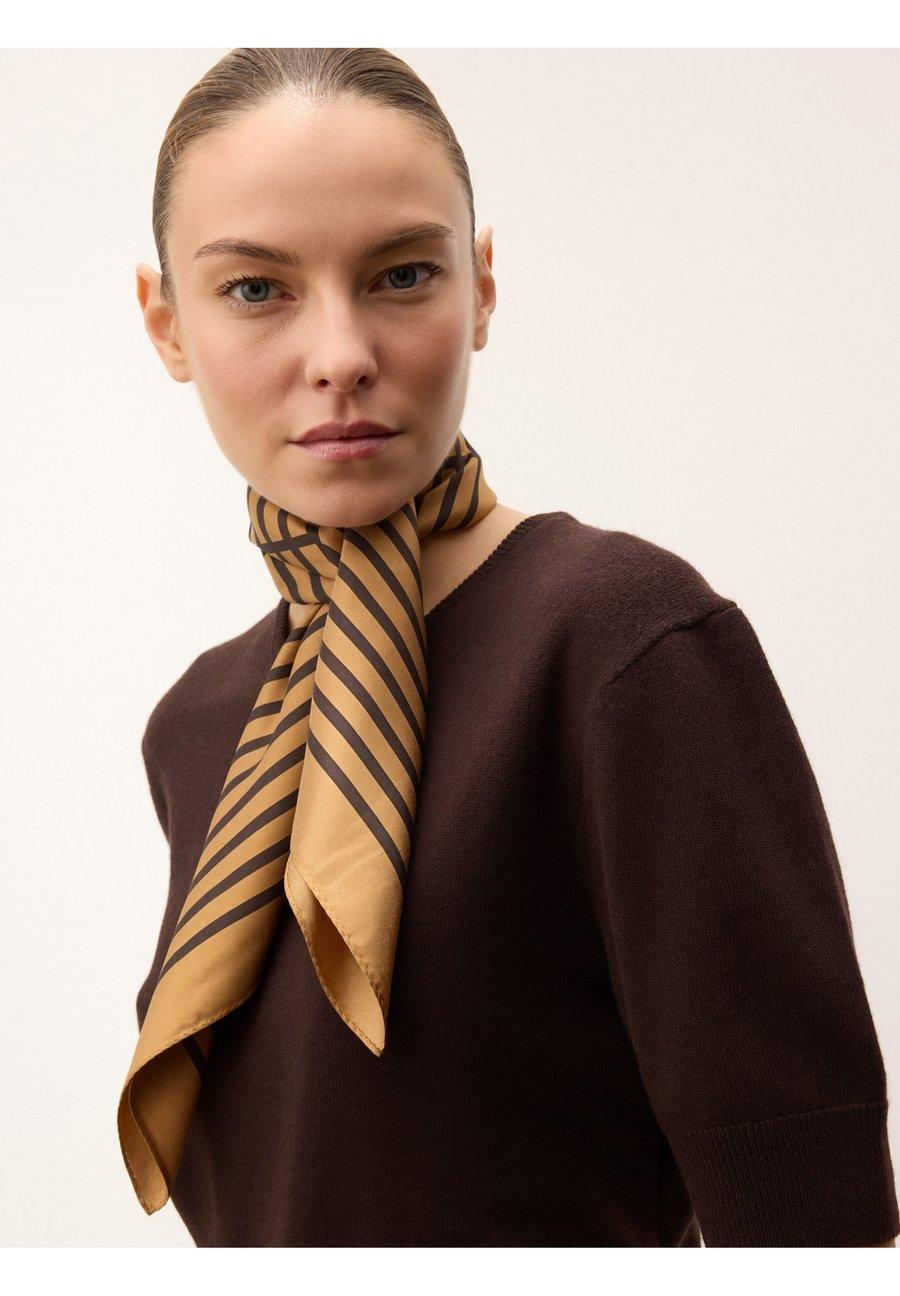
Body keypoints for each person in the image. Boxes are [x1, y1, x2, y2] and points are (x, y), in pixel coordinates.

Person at [117, 47, 898, 1248]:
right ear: (167, 323)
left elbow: (810, 1209)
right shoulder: (201, 723)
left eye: (403, 274)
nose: (341, 353)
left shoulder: (624, 646)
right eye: (257, 289)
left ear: (481, 287)